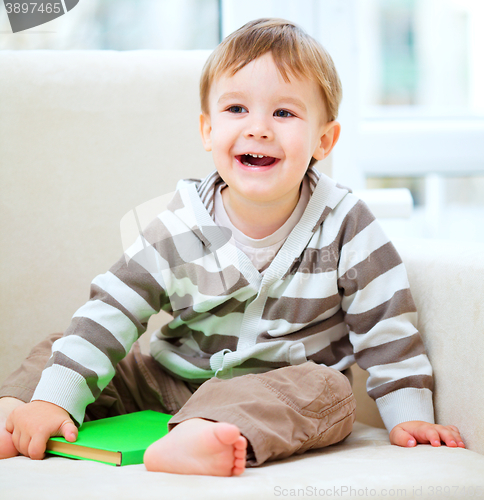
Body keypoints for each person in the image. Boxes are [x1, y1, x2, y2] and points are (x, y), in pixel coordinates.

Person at [0, 18, 465, 477]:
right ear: (207, 130)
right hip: (168, 382)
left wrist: (410, 413)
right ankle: (17, 414)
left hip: (276, 390)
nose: (258, 128)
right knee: (67, 347)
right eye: (237, 109)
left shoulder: (347, 224)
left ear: (323, 140)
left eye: (284, 113)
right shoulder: (179, 224)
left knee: (330, 391)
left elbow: (388, 329)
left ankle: (204, 432)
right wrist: (52, 395)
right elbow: (114, 309)